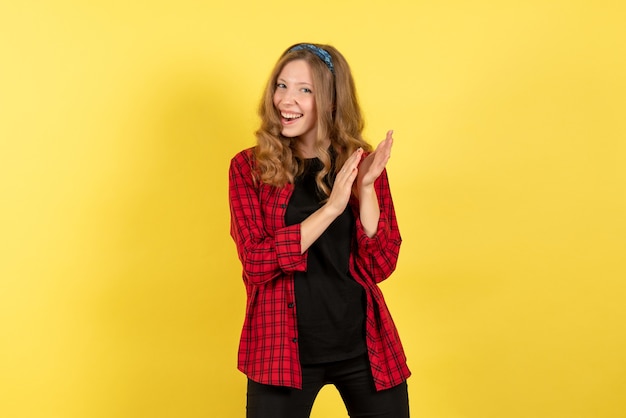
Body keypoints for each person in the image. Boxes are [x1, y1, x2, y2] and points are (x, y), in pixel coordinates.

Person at [228, 43, 410, 418]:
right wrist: (331, 209)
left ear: (330, 102)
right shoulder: (249, 168)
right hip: (280, 351)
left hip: (364, 346)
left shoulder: (361, 165)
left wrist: (364, 188)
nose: (286, 100)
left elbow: (380, 264)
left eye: (304, 90)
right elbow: (256, 262)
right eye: (281, 86)